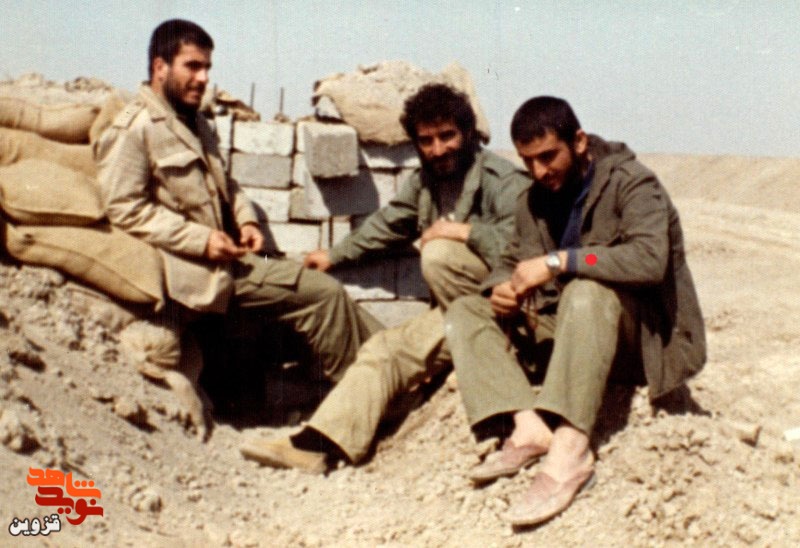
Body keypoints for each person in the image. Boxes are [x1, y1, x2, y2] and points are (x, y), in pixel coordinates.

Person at [95, 19, 381, 434]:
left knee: (317, 300)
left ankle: (395, 365)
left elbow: (225, 184)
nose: (203, 78)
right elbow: (124, 208)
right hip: (196, 273)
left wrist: (245, 219)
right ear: (159, 67)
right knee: (322, 293)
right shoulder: (136, 128)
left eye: (207, 68)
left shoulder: (194, 121)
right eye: (192, 66)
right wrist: (202, 241)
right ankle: (369, 402)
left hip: (225, 257)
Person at [239, 84, 530, 472]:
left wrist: (463, 232)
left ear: (467, 132)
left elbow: (528, 247)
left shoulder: (502, 180)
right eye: (426, 140)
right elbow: (390, 223)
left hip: (506, 310)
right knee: (383, 349)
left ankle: (495, 357)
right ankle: (317, 445)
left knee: (439, 252)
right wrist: (334, 255)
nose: (438, 149)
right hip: (462, 316)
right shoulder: (427, 181)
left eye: (447, 136)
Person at [444, 96, 706, 527]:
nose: (539, 171)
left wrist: (560, 261)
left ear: (579, 142)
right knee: (465, 310)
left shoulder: (633, 184)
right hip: (573, 332)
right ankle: (529, 428)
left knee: (586, 291)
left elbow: (647, 258)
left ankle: (571, 451)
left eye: (548, 156)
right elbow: (511, 259)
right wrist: (502, 288)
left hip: (640, 343)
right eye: (528, 161)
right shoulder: (535, 199)